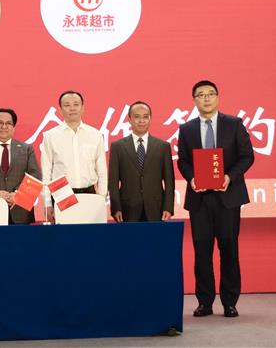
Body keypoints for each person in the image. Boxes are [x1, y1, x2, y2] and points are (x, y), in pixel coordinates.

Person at [177, 80, 254, 318]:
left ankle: (230, 302)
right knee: (202, 252)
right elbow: (183, 161)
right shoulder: (187, 129)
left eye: (210, 94)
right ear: (194, 100)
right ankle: (205, 302)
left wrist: (229, 177)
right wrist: (191, 178)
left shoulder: (234, 124)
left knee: (229, 249)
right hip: (200, 200)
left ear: (218, 97)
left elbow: (247, 156)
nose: (206, 98)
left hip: (227, 197)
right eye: (201, 95)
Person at [40, 91, 108, 223]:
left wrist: (101, 198)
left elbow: (102, 171)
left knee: (90, 233)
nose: (72, 108)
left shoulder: (95, 135)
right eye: (67, 105)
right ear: (60, 110)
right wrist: (47, 203)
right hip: (62, 193)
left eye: (76, 104)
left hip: (89, 193)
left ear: (83, 108)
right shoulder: (50, 136)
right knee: (65, 233)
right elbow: (46, 172)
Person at [108, 101, 175, 222]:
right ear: (129, 119)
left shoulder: (163, 146)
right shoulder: (117, 146)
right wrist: (116, 207)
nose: (141, 121)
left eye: (145, 117)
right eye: (137, 117)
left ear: (150, 119)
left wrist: (168, 207)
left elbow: (169, 181)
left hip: (156, 208)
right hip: (127, 209)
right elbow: (113, 181)